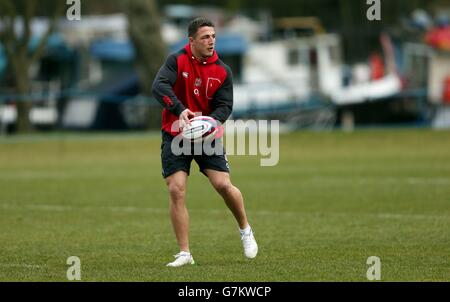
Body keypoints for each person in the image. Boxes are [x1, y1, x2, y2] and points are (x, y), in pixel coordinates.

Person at [152, 17, 258, 267]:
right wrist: (179, 109)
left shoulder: (222, 70)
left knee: (222, 184)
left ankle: (245, 230)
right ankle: (185, 253)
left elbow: (225, 106)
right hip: (176, 133)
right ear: (192, 41)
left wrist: (211, 122)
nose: (211, 41)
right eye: (205, 37)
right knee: (176, 189)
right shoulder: (176, 60)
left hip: (207, 136)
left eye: (213, 37)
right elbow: (159, 86)